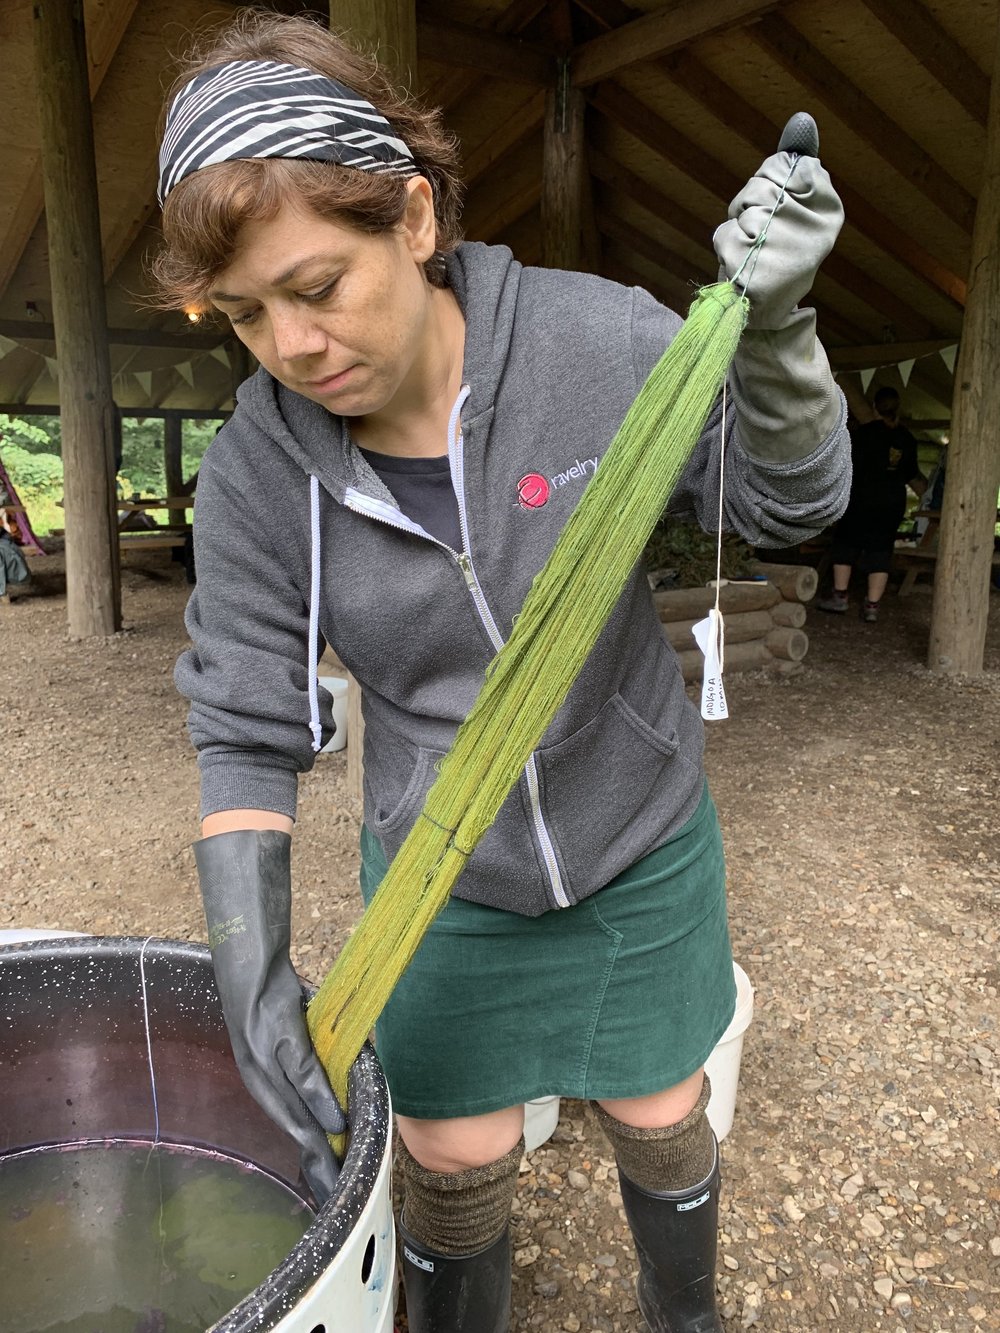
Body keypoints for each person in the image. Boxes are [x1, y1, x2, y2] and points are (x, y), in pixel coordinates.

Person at [153, 13, 849, 1331]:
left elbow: (794, 501)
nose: (292, 346)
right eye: (246, 314)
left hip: (636, 833)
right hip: (442, 870)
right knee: (451, 1149)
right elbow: (244, 713)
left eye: (316, 286)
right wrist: (248, 965)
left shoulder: (603, 347)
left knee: (661, 1103)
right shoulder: (262, 463)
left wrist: (779, 333)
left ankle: (683, 1314)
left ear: (412, 219)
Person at [818, 385, 926, 621]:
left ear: (875, 407)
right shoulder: (906, 438)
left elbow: (843, 465)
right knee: (881, 549)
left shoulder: (862, 435)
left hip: (860, 499)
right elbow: (910, 473)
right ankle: (872, 606)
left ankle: (840, 596)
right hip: (891, 502)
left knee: (845, 544)